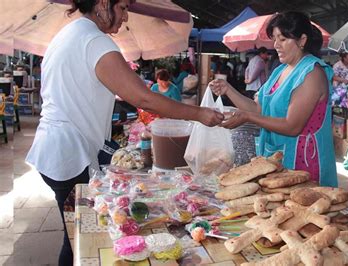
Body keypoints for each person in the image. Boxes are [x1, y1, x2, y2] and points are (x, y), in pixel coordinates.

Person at [25, 1, 223, 265]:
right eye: (122, 7)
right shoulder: (95, 41)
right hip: (69, 155)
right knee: (76, 239)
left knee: (73, 234)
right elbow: (145, 98)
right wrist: (200, 114)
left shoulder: (68, 34)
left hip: (54, 149)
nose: (125, 16)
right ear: (103, 4)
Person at [210, 11, 338, 187]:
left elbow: (292, 126)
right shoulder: (280, 71)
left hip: (303, 160)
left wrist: (246, 117)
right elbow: (258, 109)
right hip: (277, 157)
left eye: (283, 39)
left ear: (302, 40)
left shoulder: (312, 73)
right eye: (275, 39)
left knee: (301, 205)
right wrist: (228, 90)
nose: (276, 45)